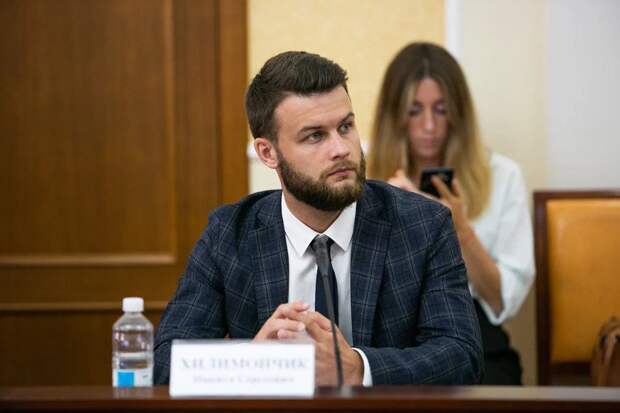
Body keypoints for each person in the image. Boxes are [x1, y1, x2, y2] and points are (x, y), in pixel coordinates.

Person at [154, 50, 483, 386]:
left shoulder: (424, 225)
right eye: (315, 136)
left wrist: (358, 369)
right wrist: (252, 361)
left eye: (346, 127)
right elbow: (164, 362)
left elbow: (462, 355)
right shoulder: (229, 233)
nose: (341, 148)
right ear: (268, 152)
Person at [368, 42, 535, 384]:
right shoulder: (366, 179)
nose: (429, 126)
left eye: (441, 110)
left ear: (458, 113)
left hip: (476, 337)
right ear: (394, 115)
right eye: (414, 110)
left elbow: (503, 302)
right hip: (388, 341)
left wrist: (459, 229)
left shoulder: (502, 175)